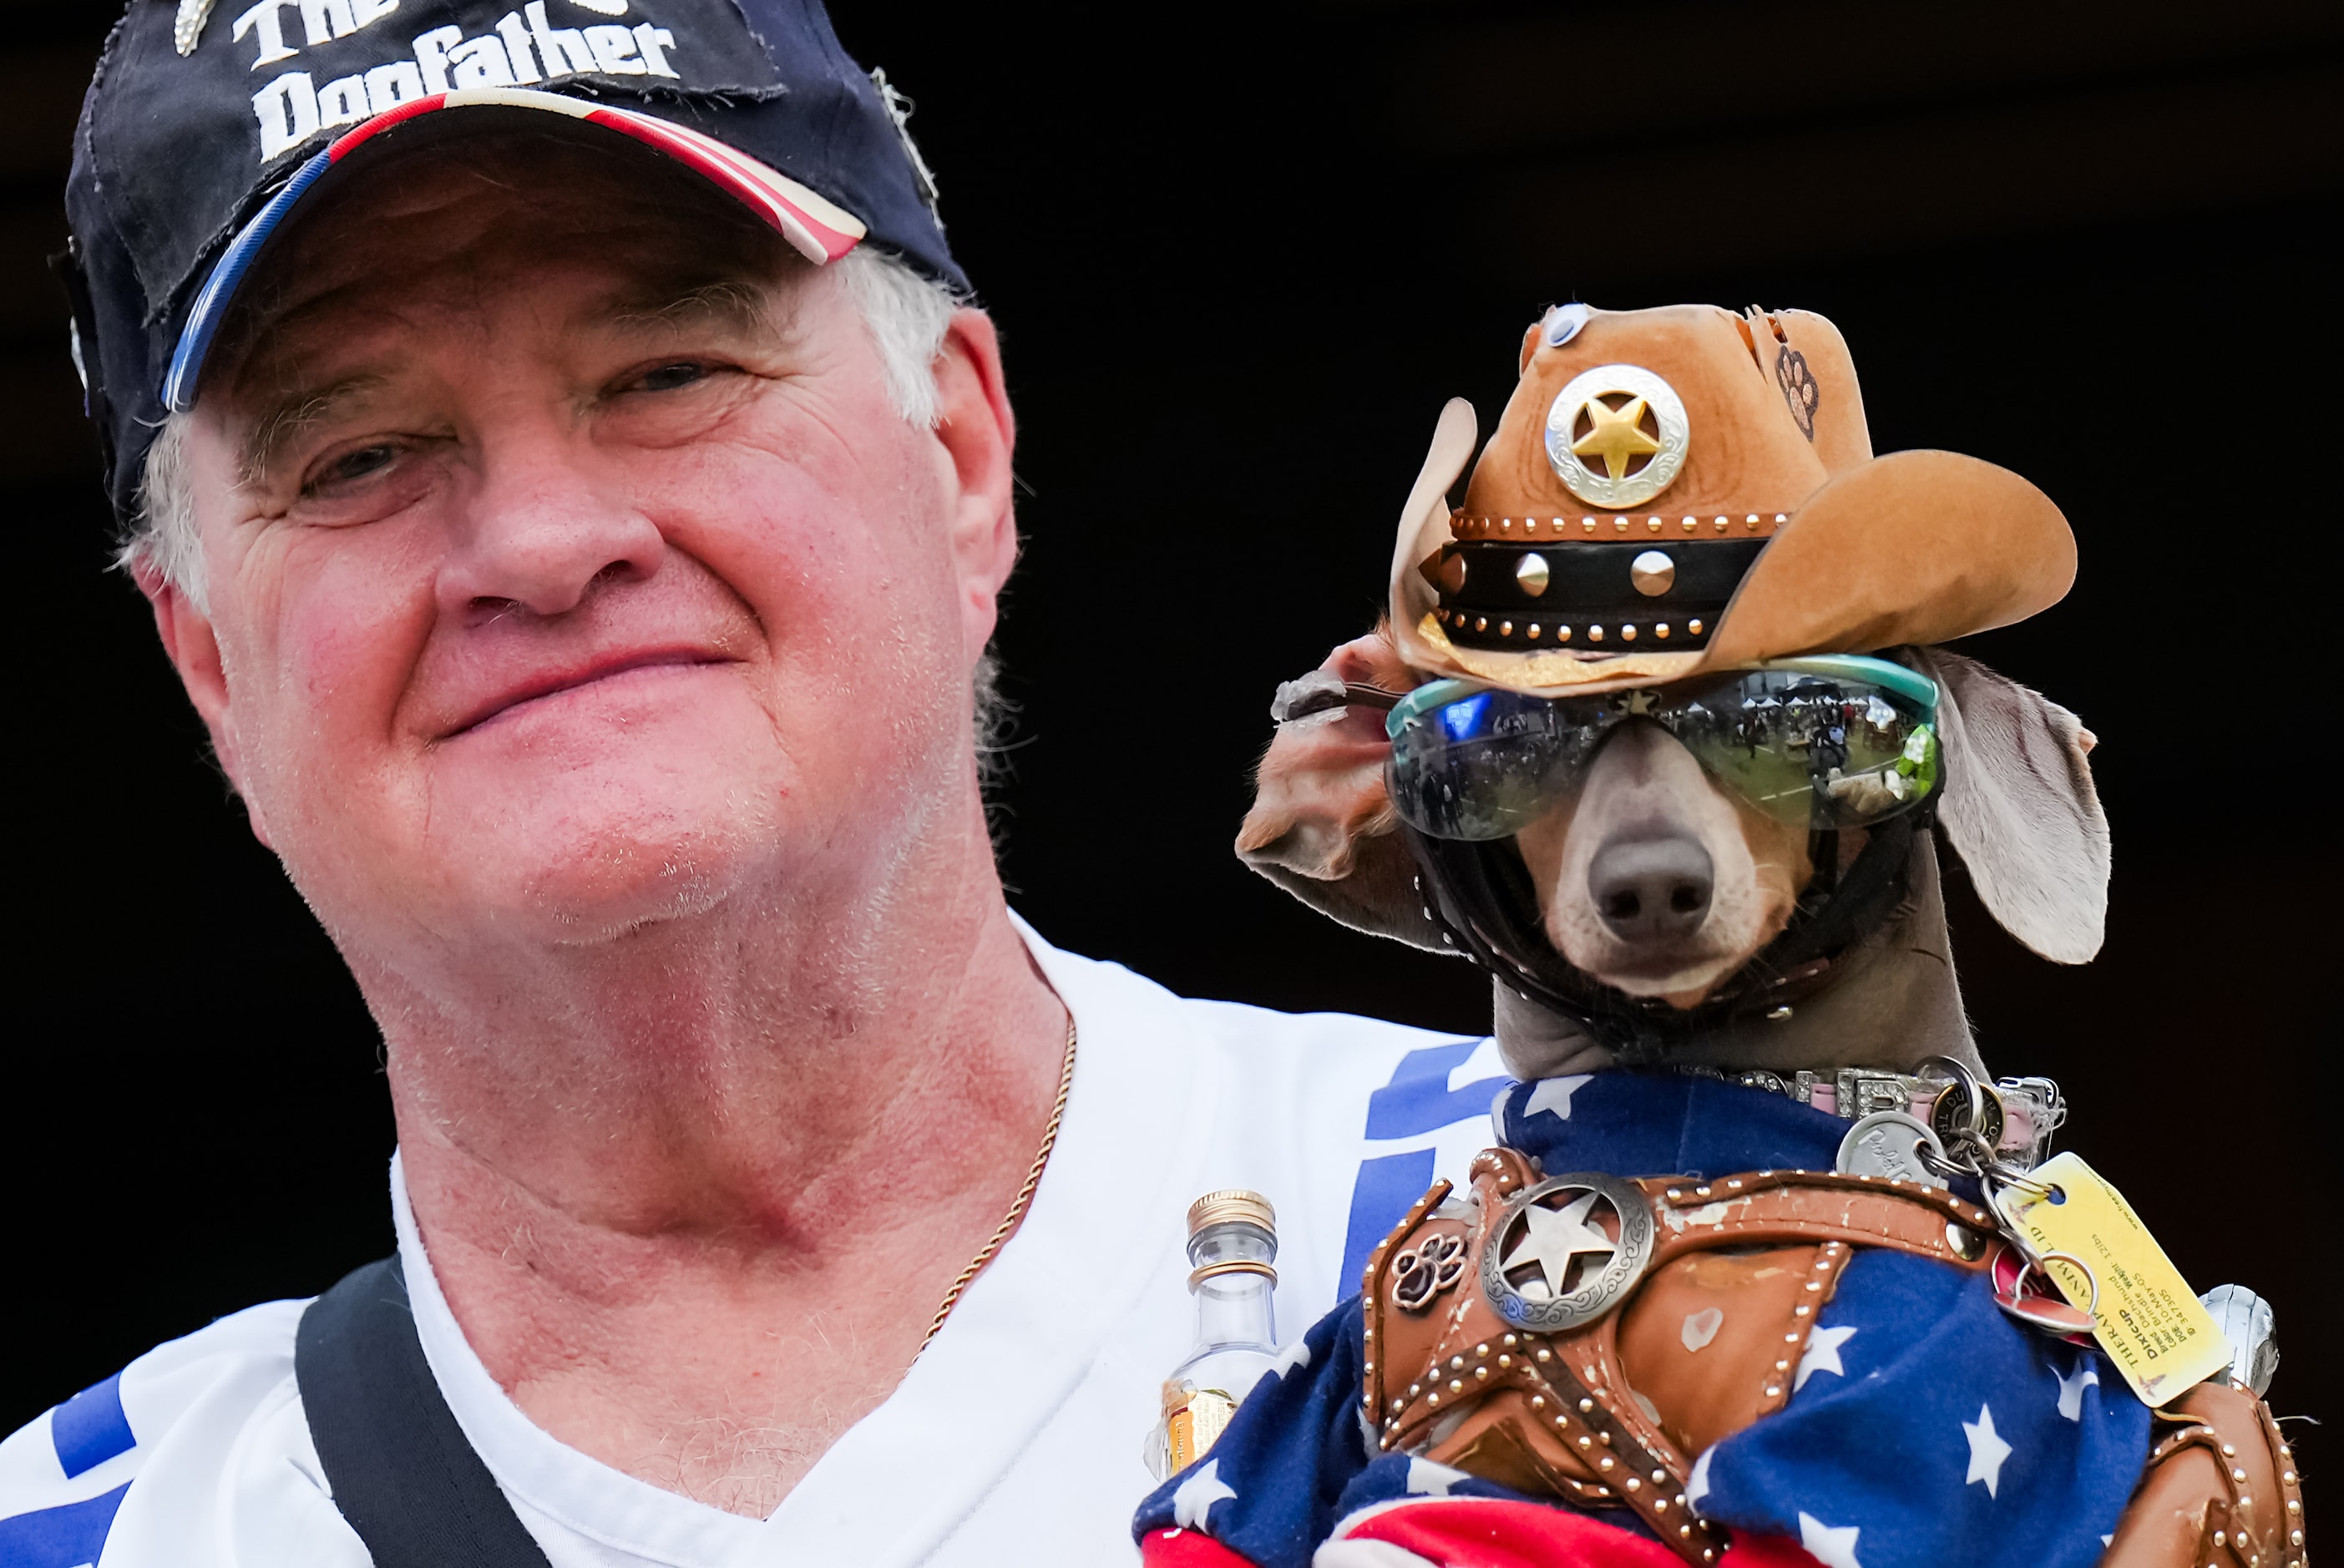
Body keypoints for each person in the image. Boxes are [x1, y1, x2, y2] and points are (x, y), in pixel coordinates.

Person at [0, 3, 1503, 1563]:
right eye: (358, 457)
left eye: (664, 371)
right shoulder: (87, 1533)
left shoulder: (1642, 1233)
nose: (539, 543)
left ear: (961, 452)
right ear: (213, 672)